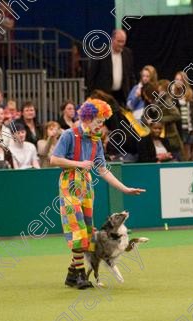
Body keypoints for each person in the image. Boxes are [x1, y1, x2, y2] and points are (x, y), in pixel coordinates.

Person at [50, 98, 145, 289]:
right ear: (87, 118)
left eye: (103, 122)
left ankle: (72, 272)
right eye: (98, 121)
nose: (101, 126)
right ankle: (78, 275)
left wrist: (124, 188)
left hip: (86, 186)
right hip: (69, 185)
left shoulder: (96, 142)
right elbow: (53, 159)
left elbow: (103, 170)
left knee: (86, 231)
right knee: (77, 229)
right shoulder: (69, 135)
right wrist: (79, 164)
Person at [86, 29, 136, 106]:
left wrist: (132, 94)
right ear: (112, 39)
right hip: (104, 96)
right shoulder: (101, 53)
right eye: (119, 41)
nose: (121, 44)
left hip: (121, 96)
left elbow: (131, 75)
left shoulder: (127, 53)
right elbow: (91, 75)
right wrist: (90, 95)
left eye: (123, 41)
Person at [173, 71, 193, 158]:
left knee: (188, 149)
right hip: (177, 127)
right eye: (176, 79)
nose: (178, 81)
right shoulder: (172, 94)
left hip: (189, 127)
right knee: (178, 150)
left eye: (180, 80)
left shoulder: (190, 94)